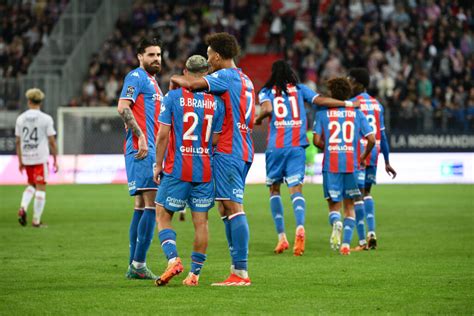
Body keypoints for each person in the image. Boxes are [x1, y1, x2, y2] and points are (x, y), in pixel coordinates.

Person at [170, 32, 254, 286]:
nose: (208, 62)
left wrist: (175, 77)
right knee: (225, 207)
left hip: (229, 149)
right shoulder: (246, 78)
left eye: (209, 56)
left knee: (233, 206)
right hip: (243, 147)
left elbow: (194, 85)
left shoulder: (225, 76)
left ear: (217, 56)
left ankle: (240, 273)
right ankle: (235, 270)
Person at [254, 60, 357, 256]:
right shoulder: (300, 89)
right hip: (296, 146)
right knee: (296, 190)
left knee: (274, 190)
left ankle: (281, 237)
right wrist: (347, 103)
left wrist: (259, 119)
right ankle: (300, 227)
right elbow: (321, 101)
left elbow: (266, 110)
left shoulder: (267, 91)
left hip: (276, 147)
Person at [153, 55, 224, 287]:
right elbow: (215, 139)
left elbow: (163, 134)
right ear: (207, 74)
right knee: (201, 223)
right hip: (204, 169)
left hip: (177, 168)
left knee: (163, 215)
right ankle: (194, 275)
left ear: (185, 72)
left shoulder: (173, 97)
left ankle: (173, 260)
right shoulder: (217, 102)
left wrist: (158, 164)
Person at [313, 77, 375, 255]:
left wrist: (330, 147)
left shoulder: (322, 114)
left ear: (332, 94)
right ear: (348, 93)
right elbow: (371, 139)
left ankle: (336, 223)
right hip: (352, 165)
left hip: (331, 165)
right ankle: (346, 245)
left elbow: (316, 140)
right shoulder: (357, 113)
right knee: (350, 206)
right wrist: (363, 156)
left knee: (334, 207)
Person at [117, 37, 163, 280]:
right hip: (143, 149)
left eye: (158, 54)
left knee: (140, 206)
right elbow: (123, 107)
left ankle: (134, 263)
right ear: (140, 57)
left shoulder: (153, 82)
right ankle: (138, 264)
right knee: (151, 205)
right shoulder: (136, 77)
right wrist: (142, 137)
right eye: (151, 55)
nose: (156, 58)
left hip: (150, 148)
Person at [347, 68, 397, 250]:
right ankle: (372, 233)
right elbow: (381, 136)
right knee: (367, 193)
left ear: (359, 83)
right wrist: (387, 161)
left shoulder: (351, 104)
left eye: (350, 81)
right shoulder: (377, 105)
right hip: (374, 152)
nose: (349, 85)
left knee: (357, 196)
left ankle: (362, 242)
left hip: (359, 153)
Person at [15, 88, 58, 228]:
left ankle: (23, 207)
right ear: (40, 102)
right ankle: (36, 221)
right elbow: (52, 141)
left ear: (28, 101)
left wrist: (20, 160)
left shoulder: (20, 118)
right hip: (40, 158)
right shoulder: (46, 118)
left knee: (31, 185)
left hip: (27, 157)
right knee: (41, 188)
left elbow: (17, 141)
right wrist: (56, 160)